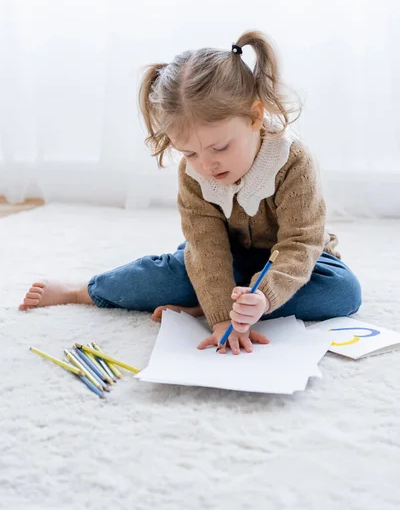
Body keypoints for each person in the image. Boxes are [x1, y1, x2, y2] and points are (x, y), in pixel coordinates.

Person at [19, 30, 362, 354]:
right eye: (190, 153)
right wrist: (222, 317)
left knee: (343, 293)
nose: (207, 165)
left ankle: (216, 302)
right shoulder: (194, 174)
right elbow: (206, 246)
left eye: (220, 147)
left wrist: (264, 297)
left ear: (255, 117)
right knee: (167, 276)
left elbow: (300, 243)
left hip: (296, 259)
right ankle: (83, 291)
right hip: (224, 258)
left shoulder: (292, 160)